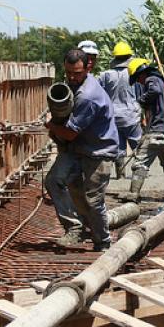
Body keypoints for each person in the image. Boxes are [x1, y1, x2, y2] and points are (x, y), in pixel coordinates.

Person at [45, 49, 118, 251]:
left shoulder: (88, 96)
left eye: (76, 73)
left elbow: (69, 133)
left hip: (98, 151)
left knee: (93, 199)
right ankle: (75, 228)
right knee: (55, 181)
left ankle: (102, 242)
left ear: (88, 67)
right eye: (68, 72)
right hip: (78, 148)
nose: (71, 77)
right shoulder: (76, 85)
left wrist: (50, 126)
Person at [126, 58, 164, 202]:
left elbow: (154, 91)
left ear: (142, 73)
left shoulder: (152, 79)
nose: (138, 82)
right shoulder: (160, 80)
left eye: (138, 78)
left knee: (141, 163)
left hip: (156, 129)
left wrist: (141, 100)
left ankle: (133, 194)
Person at [98, 42, 142, 179]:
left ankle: (120, 174)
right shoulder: (133, 74)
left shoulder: (105, 75)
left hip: (113, 117)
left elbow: (98, 93)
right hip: (131, 116)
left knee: (119, 147)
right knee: (139, 146)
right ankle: (139, 174)